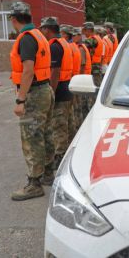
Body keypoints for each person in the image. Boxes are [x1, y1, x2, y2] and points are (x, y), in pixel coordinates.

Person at [8, 1, 55, 201]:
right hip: (45, 89)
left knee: (31, 137)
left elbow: (28, 71)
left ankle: (34, 183)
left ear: (13, 19)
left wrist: (20, 99)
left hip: (34, 93)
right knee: (45, 133)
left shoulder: (26, 38)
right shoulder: (39, 35)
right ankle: (47, 173)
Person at [40, 17, 74, 169]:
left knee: (59, 126)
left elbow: (55, 71)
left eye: (43, 29)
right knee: (67, 124)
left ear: (47, 29)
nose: (42, 32)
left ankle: (60, 159)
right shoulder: (64, 43)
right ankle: (68, 154)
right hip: (67, 87)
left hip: (59, 89)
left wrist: (51, 93)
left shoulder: (54, 46)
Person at [59, 24, 79, 141]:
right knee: (70, 115)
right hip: (72, 81)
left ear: (65, 34)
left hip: (67, 82)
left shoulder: (66, 46)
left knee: (64, 118)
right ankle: (72, 138)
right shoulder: (73, 47)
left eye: (61, 33)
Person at [82, 22, 104, 86]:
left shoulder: (93, 39)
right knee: (97, 83)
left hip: (94, 65)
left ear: (89, 30)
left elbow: (83, 47)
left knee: (95, 84)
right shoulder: (97, 37)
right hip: (97, 64)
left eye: (85, 30)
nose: (84, 33)